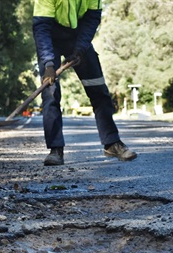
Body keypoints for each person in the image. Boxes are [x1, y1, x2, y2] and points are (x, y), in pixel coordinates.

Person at [33, 0, 138, 166]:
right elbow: (41, 26)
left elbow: (92, 18)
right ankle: (55, 150)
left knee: (98, 90)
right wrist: (48, 64)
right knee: (50, 93)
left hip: (78, 37)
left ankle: (112, 143)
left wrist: (80, 49)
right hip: (50, 38)